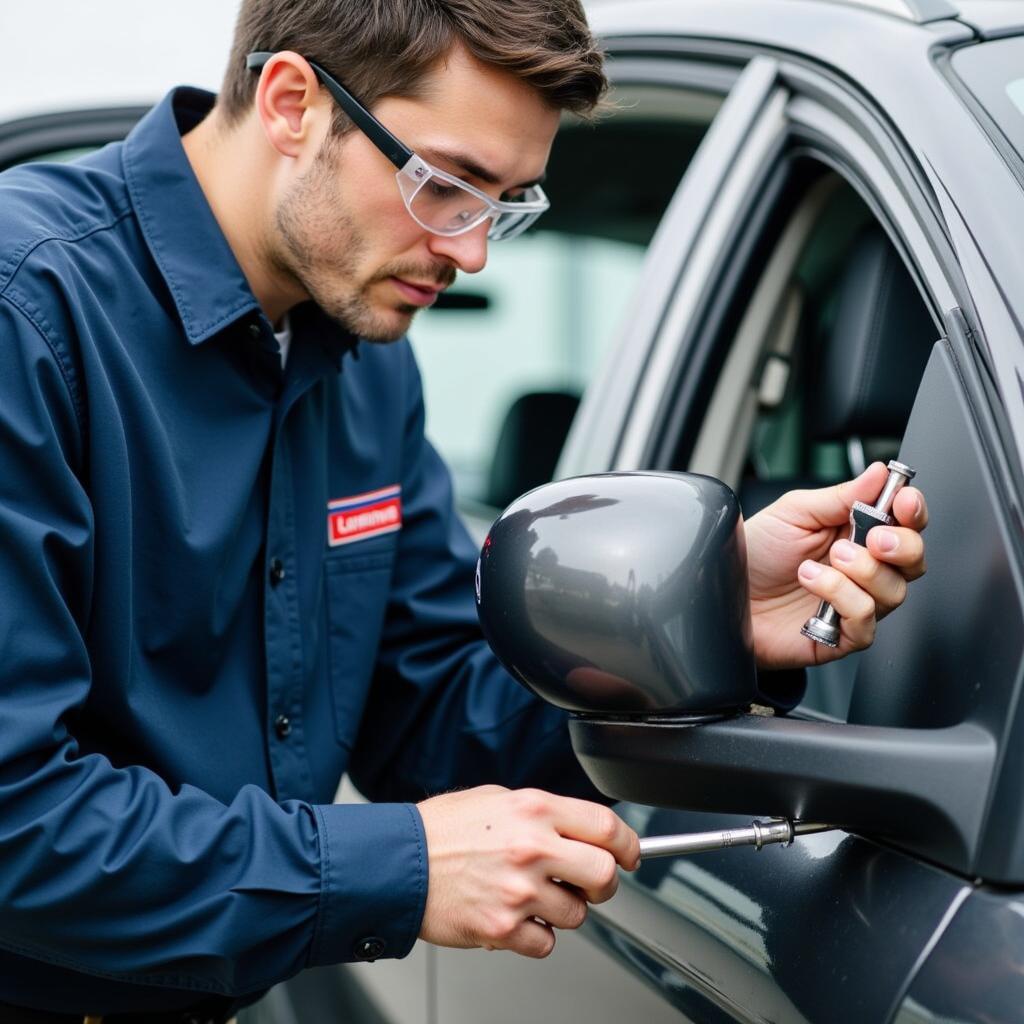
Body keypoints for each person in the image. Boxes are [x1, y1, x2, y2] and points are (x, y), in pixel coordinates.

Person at [0, 1, 928, 1020]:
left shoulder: (364, 370)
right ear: (292, 102)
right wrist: (399, 866)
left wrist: (703, 616)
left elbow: (438, 719)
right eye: (446, 186)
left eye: (507, 203)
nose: (474, 251)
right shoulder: (24, 315)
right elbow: (16, 817)